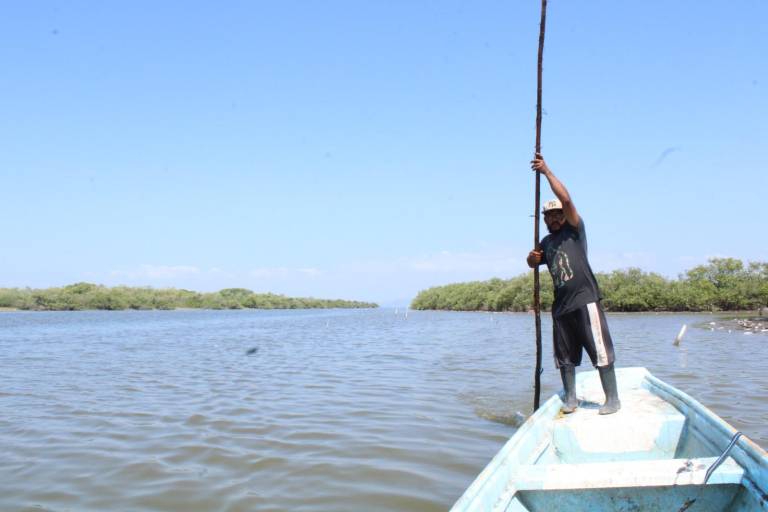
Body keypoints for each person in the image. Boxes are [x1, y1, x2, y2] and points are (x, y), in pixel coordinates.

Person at [526, 154, 621, 415]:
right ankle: (570, 399)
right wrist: (532, 259)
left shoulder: (575, 230)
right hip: (561, 308)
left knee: (600, 351)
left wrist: (545, 171)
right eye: (550, 216)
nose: (555, 219)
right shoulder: (546, 242)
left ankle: (612, 399)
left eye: (558, 215)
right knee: (565, 358)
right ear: (545, 219)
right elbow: (533, 262)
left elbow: (567, 199)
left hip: (585, 301)